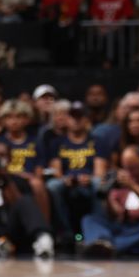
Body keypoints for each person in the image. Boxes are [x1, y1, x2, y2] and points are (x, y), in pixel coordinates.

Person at [80, 145, 139, 256]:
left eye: (134, 167)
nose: (131, 172)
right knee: (90, 219)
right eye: (127, 168)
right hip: (125, 226)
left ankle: (108, 246)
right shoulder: (123, 177)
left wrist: (132, 186)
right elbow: (116, 214)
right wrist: (107, 197)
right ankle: (103, 244)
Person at [45, 102, 98, 241]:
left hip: (89, 180)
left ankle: (97, 231)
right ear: (67, 119)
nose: (76, 120)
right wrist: (64, 179)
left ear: (86, 119)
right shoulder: (57, 142)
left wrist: (89, 178)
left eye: (80, 117)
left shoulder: (97, 140)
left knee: (99, 183)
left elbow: (100, 171)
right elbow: (56, 170)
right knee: (53, 185)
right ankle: (65, 232)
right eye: (73, 116)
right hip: (66, 180)